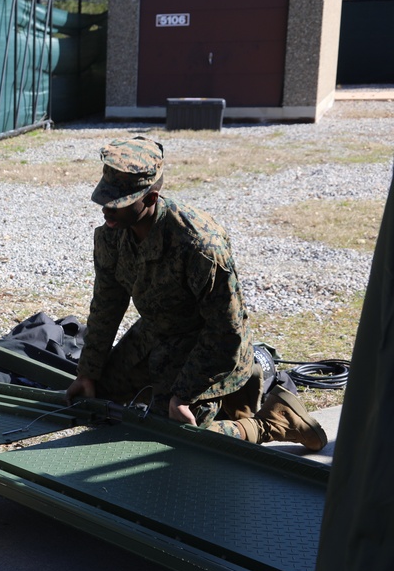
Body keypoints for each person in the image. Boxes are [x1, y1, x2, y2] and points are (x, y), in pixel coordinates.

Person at [66, 136, 326, 450]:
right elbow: (106, 304)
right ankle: (230, 401)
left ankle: (271, 421)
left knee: (170, 434)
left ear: (150, 198)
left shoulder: (200, 246)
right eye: (105, 198)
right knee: (97, 397)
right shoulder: (112, 235)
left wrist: (184, 394)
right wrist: (88, 372)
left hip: (207, 348)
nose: (107, 209)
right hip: (156, 334)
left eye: (118, 203)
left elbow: (227, 332)